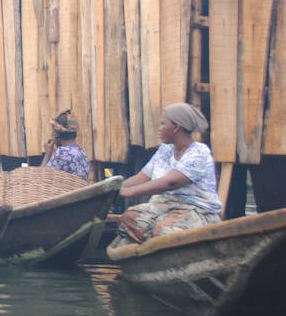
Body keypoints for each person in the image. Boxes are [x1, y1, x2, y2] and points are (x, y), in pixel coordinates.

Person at [111, 103, 222, 247]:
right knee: (129, 217)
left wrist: (129, 192)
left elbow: (170, 182)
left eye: (163, 124)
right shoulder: (165, 149)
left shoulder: (199, 152)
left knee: (164, 231)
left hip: (196, 209)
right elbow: (143, 176)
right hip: (164, 205)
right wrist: (112, 189)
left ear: (176, 127)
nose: (159, 128)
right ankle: (150, 245)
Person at [39, 110, 90, 180]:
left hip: (67, 191)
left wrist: (47, 155)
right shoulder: (83, 153)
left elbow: (40, 178)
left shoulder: (62, 152)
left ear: (57, 134)